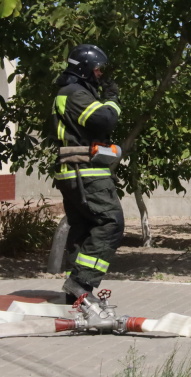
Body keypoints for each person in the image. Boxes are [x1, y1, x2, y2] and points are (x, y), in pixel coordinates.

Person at [51, 44, 124, 305]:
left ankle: (76, 293)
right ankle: (81, 282)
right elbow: (103, 120)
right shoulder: (74, 93)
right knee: (110, 222)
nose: (100, 74)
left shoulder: (71, 92)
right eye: (97, 69)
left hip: (75, 172)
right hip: (85, 173)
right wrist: (113, 100)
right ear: (84, 69)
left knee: (85, 228)